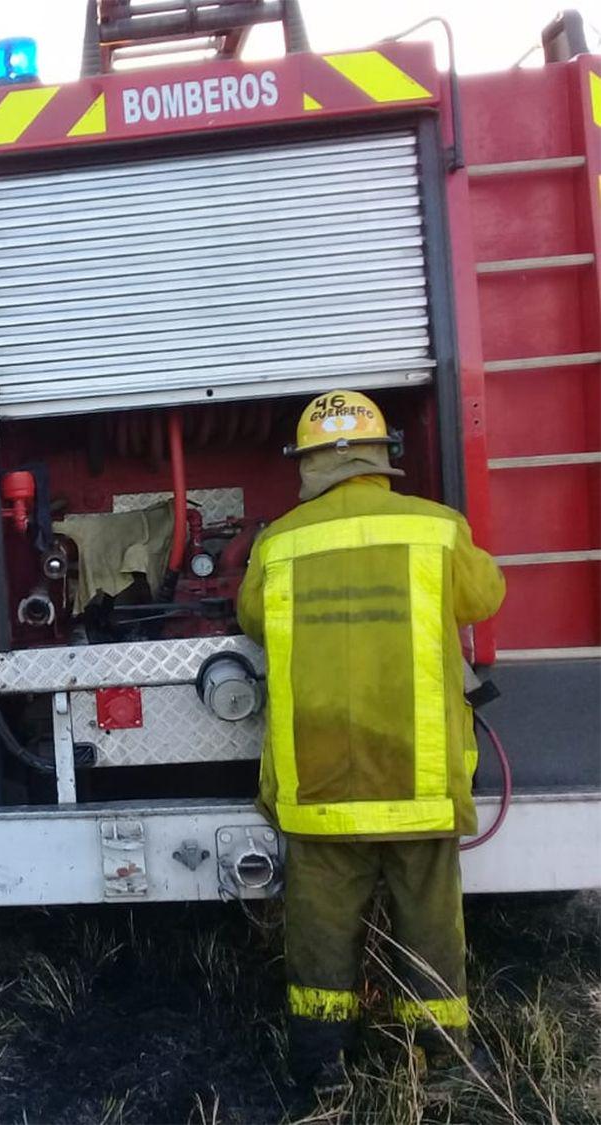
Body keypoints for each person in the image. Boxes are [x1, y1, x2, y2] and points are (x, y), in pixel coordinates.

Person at [235, 390, 506, 1091]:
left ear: (307, 464)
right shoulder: (438, 529)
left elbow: (252, 618)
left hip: (318, 779)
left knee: (320, 928)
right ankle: (444, 1062)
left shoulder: (280, 542)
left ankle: (322, 1067)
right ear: (383, 457)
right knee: (431, 922)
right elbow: (485, 598)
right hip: (417, 776)